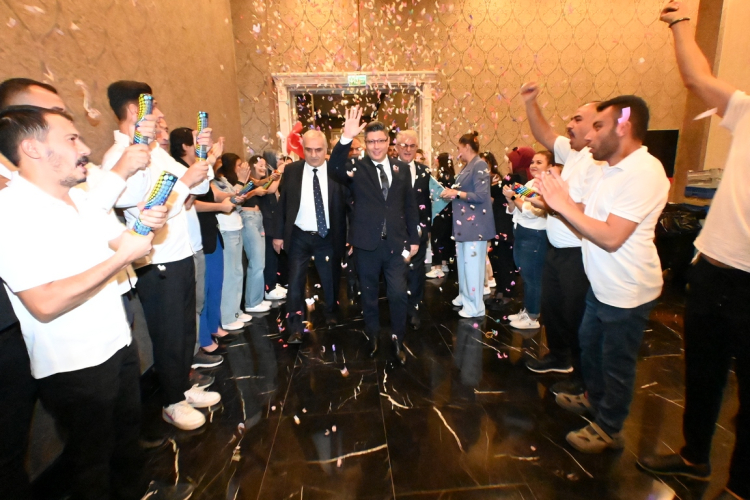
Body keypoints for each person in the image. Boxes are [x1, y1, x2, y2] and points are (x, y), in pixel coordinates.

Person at [0, 105, 168, 499]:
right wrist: (122, 257)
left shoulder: (79, 198)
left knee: (127, 445)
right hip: (75, 365)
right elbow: (44, 302)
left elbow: (123, 243)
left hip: (118, 343)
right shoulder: (11, 213)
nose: (85, 148)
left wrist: (144, 227)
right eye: (72, 139)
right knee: (91, 465)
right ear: (33, 148)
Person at [636, 4, 750, 499]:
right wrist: (681, 23)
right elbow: (698, 78)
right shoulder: (748, 112)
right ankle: (694, 459)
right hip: (712, 271)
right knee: (701, 376)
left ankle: (740, 487)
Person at [537, 95, 670, 453]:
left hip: (627, 289)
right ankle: (593, 399)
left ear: (623, 127)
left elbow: (612, 237)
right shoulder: (609, 169)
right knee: (590, 347)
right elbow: (585, 211)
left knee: (616, 363)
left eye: (598, 126)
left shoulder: (644, 173)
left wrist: (562, 205)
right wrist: (555, 200)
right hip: (601, 285)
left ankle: (609, 427)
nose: (589, 135)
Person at [103, 80, 221, 431]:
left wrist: (202, 157)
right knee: (168, 335)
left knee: (184, 330)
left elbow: (197, 186)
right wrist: (184, 183)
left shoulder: (156, 151)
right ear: (134, 110)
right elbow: (141, 205)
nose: (161, 114)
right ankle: (171, 402)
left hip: (180, 253)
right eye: (154, 108)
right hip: (157, 261)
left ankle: (181, 388)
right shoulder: (120, 157)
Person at [519, 82, 604, 396]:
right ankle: (558, 356)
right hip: (555, 247)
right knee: (552, 307)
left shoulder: (598, 162)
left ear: (598, 126)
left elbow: (587, 211)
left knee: (576, 314)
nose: (570, 124)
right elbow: (544, 133)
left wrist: (552, 203)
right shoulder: (574, 152)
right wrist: (530, 103)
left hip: (577, 252)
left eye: (578, 119)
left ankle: (582, 376)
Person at [328, 107, 419, 366]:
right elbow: (333, 168)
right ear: (365, 144)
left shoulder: (402, 169)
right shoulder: (356, 168)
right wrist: (346, 137)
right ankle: (373, 336)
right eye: (370, 142)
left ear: (389, 142)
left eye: (380, 141)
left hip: (396, 245)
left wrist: (414, 239)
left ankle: (398, 339)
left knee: (398, 294)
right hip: (366, 245)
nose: (376, 146)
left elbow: (410, 205)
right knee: (368, 296)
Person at [272, 129, 348, 344]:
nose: (314, 155)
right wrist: (278, 235)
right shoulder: (292, 170)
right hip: (299, 235)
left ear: (326, 150)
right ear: (302, 149)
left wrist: (349, 235)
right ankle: (295, 327)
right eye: (309, 150)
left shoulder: (336, 171)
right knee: (295, 281)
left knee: (330, 278)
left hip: (328, 235)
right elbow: (283, 204)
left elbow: (348, 206)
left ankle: (331, 313)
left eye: (318, 150)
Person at [170, 128, 238, 356]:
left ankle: (214, 326)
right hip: (198, 232)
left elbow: (213, 193)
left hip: (210, 230)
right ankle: (204, 337)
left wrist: (235, 195)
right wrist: (220, 206)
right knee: (204, 289)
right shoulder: (181, 170)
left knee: (215, 283)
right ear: (185, 146)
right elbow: (190, 203)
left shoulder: (199, 169)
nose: (202, 144)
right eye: (196, 141)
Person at [440, 132, 495, 318]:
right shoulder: (467, 167)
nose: (458, 152)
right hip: (464, 225)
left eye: (459, 148)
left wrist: (455, 193)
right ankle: (465, 296)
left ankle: (475, 306)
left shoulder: (480, 165)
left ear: (467, 146)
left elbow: (481, 195)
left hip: (475, 226)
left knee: (473, 267)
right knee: (464, 266)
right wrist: (451, 192)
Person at [502, 151, 552, 329]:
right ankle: (527, 310)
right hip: (521, 233)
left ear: (550, 167)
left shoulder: (547, 187)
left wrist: (514, 197)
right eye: (532, 162)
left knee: (533, 278)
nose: (534, 166)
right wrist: (510, 199)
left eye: (539, 162)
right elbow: (514, 209)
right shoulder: (529, 184)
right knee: (525, 276)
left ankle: (533, 317)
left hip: (535, 236)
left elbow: (531, 211)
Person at [395, 129, 432, 330]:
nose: (408, 149)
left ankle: (414, 309)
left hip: (419, 230)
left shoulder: (425, 172)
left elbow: (428, 201)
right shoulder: (388, 170)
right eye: (404, 145)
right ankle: (398, 309)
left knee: (417, 272)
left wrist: (427, 229)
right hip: (396, 231)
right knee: (397, 272)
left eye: (412, 146)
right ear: (396, 147)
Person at [212, 153, 253, 329]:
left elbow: (236, 198)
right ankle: (227, 316)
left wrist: (242, 187)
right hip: (225, 228)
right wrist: (242, 183)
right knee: (229, 274)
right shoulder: (210, 183)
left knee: (237, 272)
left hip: (236, 226)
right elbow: (228, 197)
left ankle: (236, 310)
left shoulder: (222, 179)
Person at [236, 155, 278, 314]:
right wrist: (254, 192)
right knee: (256, 262)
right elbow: (239, 197)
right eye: (260, 165)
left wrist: (273, 177)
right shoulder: (241, 182)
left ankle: (257, 299)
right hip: (248, 218)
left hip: (257, 218)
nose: (263, 168)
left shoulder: (252, 180)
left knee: (260, 261)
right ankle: (252, 302)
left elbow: (263, 184)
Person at [483, 151, 518, 306]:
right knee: (498, 258)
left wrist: (491, 185)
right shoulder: (508, 178)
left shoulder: (516, 178)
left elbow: (505, 194)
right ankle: (501, 291)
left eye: (510, 161)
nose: (508, 165)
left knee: (505, 260)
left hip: (505, 223)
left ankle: (506, 293)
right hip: (498, 222)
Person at [426, 153, 456, 279]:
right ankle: (444, 263)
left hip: (440, 212)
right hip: (450, 212)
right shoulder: (452, 176)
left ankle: (437, 267)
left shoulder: (442, 176)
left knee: (437, 238)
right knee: (446, 239)